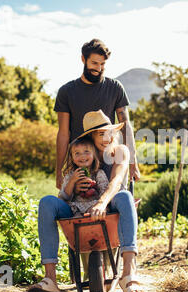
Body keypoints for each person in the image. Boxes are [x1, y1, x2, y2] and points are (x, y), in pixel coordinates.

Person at [28, 110, 144, 292]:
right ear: (91, 136)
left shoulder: (120, 150)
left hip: (112, 207)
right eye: (100, 134)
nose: (107, 138)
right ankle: (50, 279)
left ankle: (129, 275)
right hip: (78, 210)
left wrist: (101, 203)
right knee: (47, 202)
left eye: (109, 132)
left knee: (125, 196)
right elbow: (64, 195)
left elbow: (115, 182)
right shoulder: (81, 155)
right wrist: (74, 185)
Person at [54, 38, 140, 193]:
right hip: (81, 162)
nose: (99, 68)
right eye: (94, 63)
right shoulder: (66, 92)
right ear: (83, 59)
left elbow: (126, 126)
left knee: (113, 204)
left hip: (109, 160)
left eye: (103, 64)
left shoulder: (115, 88)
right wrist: (59, 171)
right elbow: (63, 133)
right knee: (80, 209)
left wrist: (133, 163)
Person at [58, 137, 109, 215]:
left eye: (86, 151)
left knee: (95, 210)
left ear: (94, 155)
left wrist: (94, 190)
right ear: (72, 158)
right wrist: (72, 181)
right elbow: (63, 198)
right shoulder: (70, 175)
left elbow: (104, 192)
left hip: (94, 206)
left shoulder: (98, 173)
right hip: (76, 208)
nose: (82, 156)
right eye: (77, 153)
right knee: (75, 215)